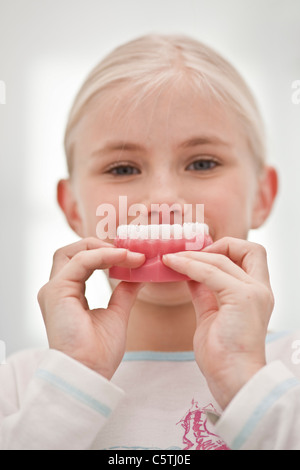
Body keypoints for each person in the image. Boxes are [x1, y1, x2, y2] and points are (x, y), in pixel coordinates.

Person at [0, 34, 299, 450]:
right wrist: (72, 378)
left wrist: (245, 379)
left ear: (262, 196)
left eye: (202, 163)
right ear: (72, 208)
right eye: (122, 169)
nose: (162, 200)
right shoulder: (18, 387)